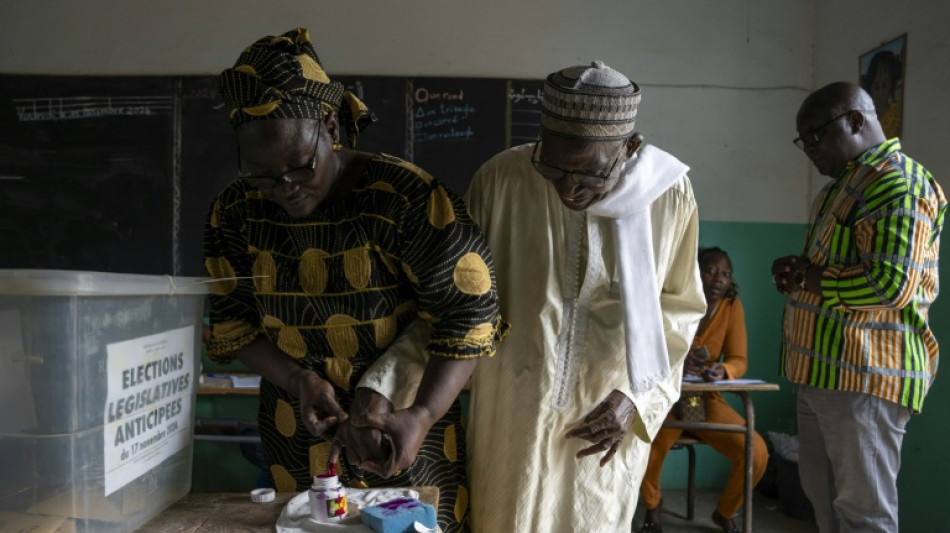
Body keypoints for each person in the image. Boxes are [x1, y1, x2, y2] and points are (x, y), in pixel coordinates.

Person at [202, 27, 507, 533]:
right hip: (297, 430)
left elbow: (469, 313)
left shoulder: (405, 197)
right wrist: (298, 380)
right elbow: (235, 327)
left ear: (329, 123)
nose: (284, 188)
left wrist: (425, 414)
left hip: (406, 429)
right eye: (261, 173)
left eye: (300, 165)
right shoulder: (236, 212)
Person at [461, 61, 705, 532]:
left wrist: (636, 398)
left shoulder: (669, 194)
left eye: (590, 174)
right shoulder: (501, 179)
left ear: (630, 147)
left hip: (608, 417)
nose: (569, 187)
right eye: (552, 167)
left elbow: (681, 309)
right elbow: (462, 299)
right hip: (512, 409)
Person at [772, 82, 945, 532]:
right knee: (827, 507)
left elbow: (890, 287)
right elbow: (833, 273)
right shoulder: (845, 187)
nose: (808, 148)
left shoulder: (895, 181)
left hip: (864, 376)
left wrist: (809, 278)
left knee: (865, 516)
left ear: (854, 120)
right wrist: (799, 274)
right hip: (822, 374)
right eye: (802, 140)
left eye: (815, 134)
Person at [639, 246, 768, 533]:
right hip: (670, 397)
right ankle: (653, 506)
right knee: (648, 446)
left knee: (756, 451)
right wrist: (675, 366)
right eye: (709, 271)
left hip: (704, 399)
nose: (718, 279)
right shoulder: (672, 301)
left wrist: (725, 370)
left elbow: (739, 359)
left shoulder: (732, 308)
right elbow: (647, 349)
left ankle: (724, 512)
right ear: (693, 273)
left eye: (725, 274)